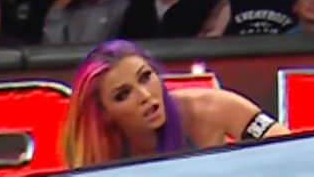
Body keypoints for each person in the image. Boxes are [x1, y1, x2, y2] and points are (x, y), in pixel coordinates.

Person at [60, 40, 281, 168]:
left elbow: (287, 149)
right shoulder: (94, 155)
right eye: (123, 95)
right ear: (104, 113)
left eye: (145, 77)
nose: (145, 95)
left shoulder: (210, 107)